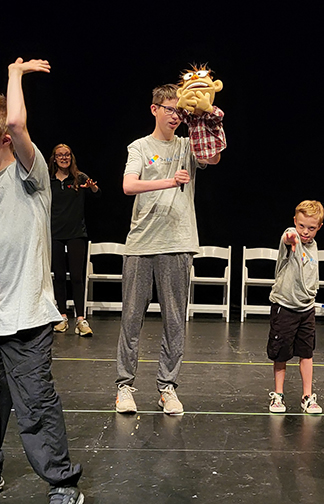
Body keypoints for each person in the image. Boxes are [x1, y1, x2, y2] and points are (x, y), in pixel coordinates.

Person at [0, 58, 84, 504]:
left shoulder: (30, 177)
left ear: (2, 140)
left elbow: (14, 120)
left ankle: (61, 480)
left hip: (27, 318)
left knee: (35, 405)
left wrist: (13, 74)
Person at [115, 83, 224, 416]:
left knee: (175, 320)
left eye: (180, 110)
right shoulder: (139, 146)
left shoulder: (187, 145)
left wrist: (206, 116)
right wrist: (168, 181)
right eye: (169, 109)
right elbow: (128, 185)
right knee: (131, 318)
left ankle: (167, 388)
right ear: (155, 109)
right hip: (141, 242)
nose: (175, 116)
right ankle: (124, 386)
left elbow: (214, 156)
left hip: (178, 242)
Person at [268, 200, 324, 414]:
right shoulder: (292, 239)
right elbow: (288, 235)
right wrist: (291, 236)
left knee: (306, 353)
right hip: (285, 307)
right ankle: (278, 395)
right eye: (301, 226)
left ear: (319, 227)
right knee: (281, 354)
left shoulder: (314, 245)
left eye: (311, 228)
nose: (305, 232)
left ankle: (307, 396)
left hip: (306, 309)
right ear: (295, 222)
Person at [49, 144, 99, 336]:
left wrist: (93, 188)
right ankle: (62, 316)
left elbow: (98, 194)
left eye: (67, 155)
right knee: (59, 277)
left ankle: (80, 319)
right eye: (60, 155)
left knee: (77, 277)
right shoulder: (49, 179)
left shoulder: (79, 177)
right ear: (54, 158)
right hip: (55, 233)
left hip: (76, 233)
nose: (64, 158)